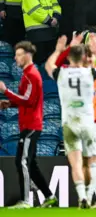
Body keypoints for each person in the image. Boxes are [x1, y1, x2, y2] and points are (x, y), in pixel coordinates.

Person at [53, 33, 96, 209]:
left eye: (92, 56)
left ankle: (94, 199)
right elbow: (59, 64)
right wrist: (70, 47)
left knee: (91, 161)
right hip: (87, 120)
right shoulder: (82, 74)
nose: (90, 59)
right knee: (88, 162)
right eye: (88, 55)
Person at [0, 41, 57, 208]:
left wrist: (6, 91)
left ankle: (26, 200)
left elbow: (29, 100)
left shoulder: (32, 74)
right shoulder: (28, 74)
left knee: (22, 161)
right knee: (30, 163)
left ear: (27, 55)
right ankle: (49, 196)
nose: (15, 58)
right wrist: (9, 103)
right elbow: (26, 100)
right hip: (27, 123)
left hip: (31, 125)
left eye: (18, 55)